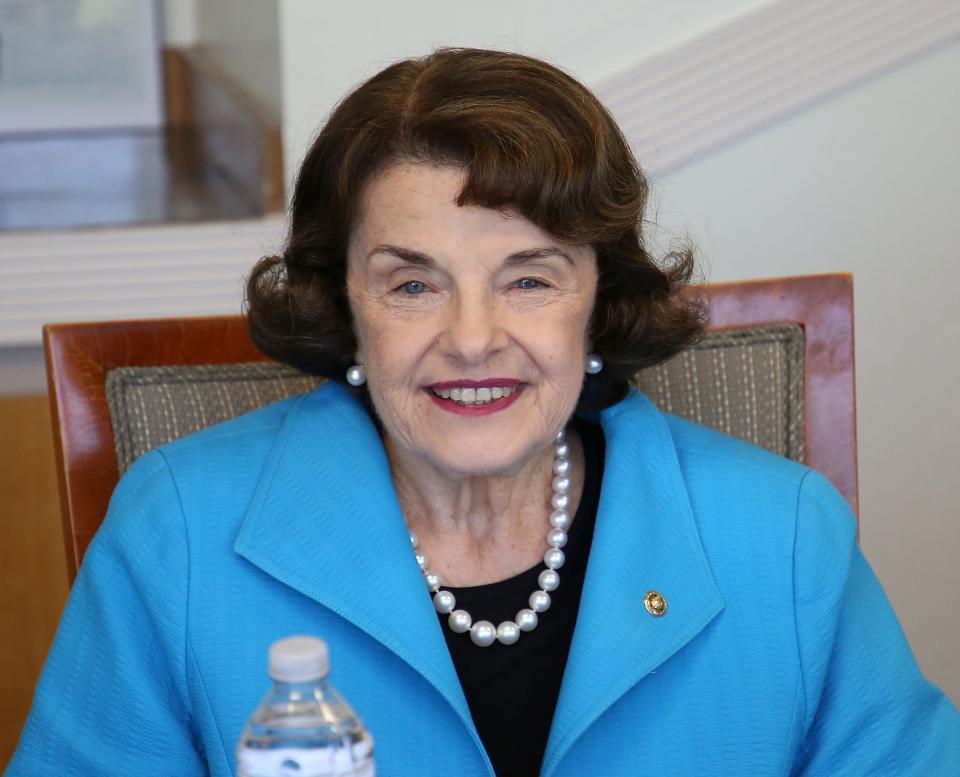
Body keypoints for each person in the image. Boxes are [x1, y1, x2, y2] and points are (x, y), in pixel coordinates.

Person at [7, 48, 959, 777]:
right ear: (344, 308)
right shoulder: (178, 532)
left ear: (599, 298)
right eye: (413, 284)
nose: (472, 338)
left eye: (529, 278)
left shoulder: (783, 536)